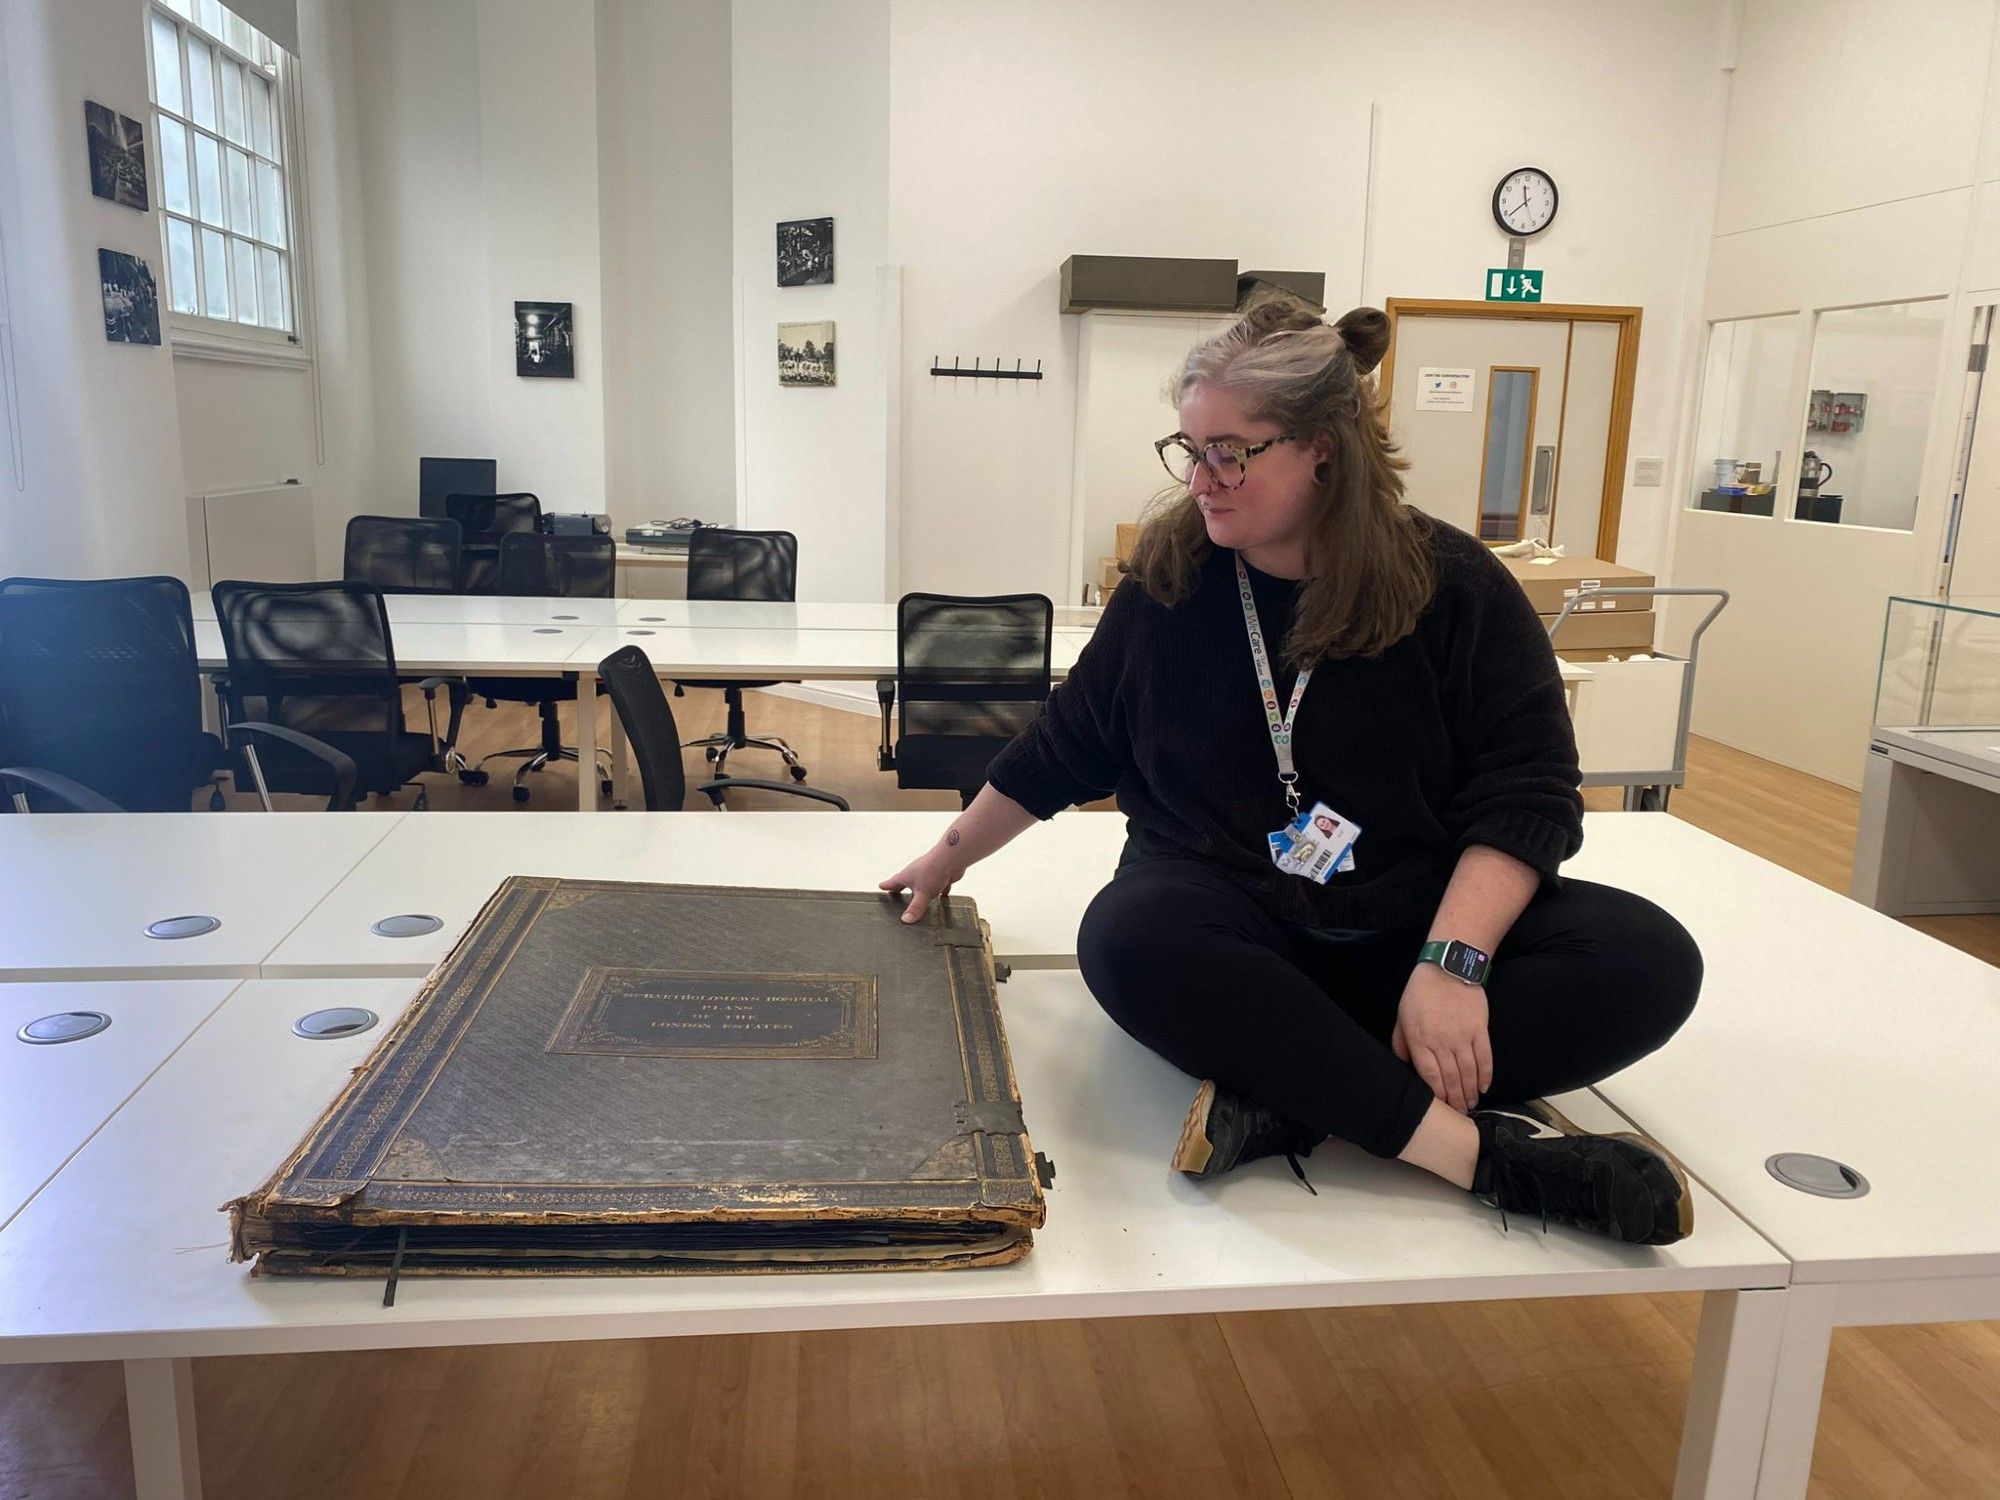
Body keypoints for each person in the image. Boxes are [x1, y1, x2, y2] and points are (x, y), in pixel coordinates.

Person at [881, 295, 1703, 1246]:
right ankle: (1485, 1159)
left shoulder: (1457, 587)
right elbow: (1069, 740)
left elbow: (1526, 796)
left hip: (1409, 931)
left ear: (1322, 446)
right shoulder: (1171, 582)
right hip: (1230, 921)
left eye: (1231, 450)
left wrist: (1453, 963)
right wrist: (948, 856)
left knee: (1647, 960)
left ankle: (1289, 1088)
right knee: (1126, 937)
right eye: (1189, 451)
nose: (1202, 479)